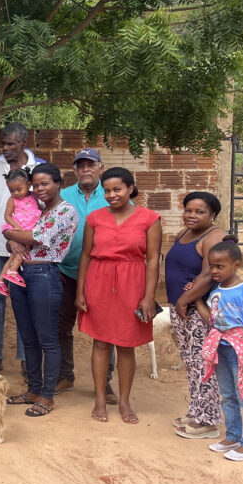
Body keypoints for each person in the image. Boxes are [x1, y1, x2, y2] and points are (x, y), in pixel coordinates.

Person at [76, 167, 162, 424]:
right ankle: (100, 398)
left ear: (130, 189)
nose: (112, 195)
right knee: (100, 342)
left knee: (126, 345)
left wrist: (148, 297)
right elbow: (85, 256)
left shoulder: (149, 219)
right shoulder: (95, 218)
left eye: (117, 189)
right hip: (99, 283)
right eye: (107, 190)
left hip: (132, 284)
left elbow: (154, 260)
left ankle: (124, 401)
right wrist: (80, 291)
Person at [1, 163, 78, 418]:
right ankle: (33, 390)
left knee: (47, 338)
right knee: (28, 337)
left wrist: (10, 235)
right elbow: (18, 237)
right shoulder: (40, 210)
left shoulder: (66, 211)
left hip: (44, 274)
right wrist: (11, 239)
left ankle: (47, 396)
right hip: (21, 274)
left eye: (45, 183)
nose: (39, 188)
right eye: (35, 184)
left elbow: (34, 237)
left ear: (59, 183)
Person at [0, 123, 44, 371]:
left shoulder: (38, 167)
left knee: (25, 299)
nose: (5, 148)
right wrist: (6, 233)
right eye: (3, 144)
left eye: (10, 144)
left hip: (30, 246)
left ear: (23, 143)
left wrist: (22, 238)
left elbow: (42, 206)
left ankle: (26, 360)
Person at [165, 191, 226, 439]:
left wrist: (184, 300)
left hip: (197, 311)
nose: (191, 215)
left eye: (199, 212)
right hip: (182, 309)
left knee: (204, 365)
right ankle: (197, 410)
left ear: (212, 215)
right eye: (188, 210)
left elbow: (208, 274)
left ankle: (208, 422)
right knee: (192, 364)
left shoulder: (215, 237)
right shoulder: (185, 233)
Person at [196, 240, 243, 462]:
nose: (215, 270)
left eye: (220, 266)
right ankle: (233, 437)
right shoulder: (215, 291)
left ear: (236, 265)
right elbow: (212, 321)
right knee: (228, 395)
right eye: (212, 266)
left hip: (240, 350)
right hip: (221, 349)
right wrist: (197, 301)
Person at [56, 148, 116, 400]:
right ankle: (65, 375)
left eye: (90, 165)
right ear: (75, 170)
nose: (85, 170)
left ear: (100, 168)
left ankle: (106, 382)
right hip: (66, 271)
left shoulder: (113, 193)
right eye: (80, 166)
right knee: (61, 326)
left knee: (105, 330)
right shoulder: (63, 196)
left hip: (102, 274)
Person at [0, 169, 40, 295]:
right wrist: (15, 226)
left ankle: (0, 281)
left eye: (19, 189)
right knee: (23, 250)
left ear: (28, 185)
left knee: (13, 255)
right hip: (20, 228)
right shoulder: (12, 200)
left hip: (29, 228)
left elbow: (38, 208)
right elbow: (7, 216)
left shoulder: (34, 196)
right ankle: (12, 271)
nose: (15, 193)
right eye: (12, 190)